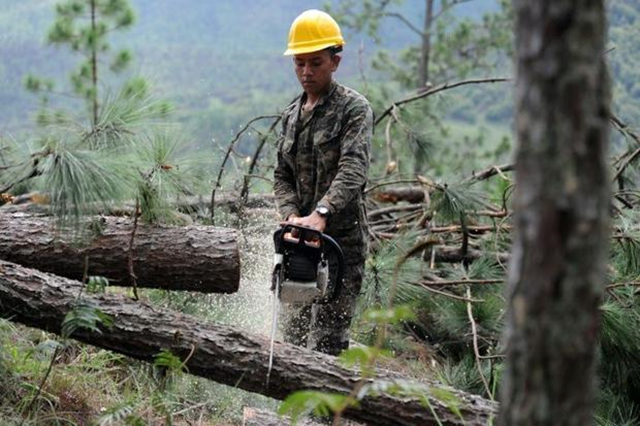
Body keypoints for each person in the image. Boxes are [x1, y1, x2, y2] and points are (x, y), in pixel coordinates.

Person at [273, 9, 373, 356]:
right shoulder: (290, 115)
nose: (306, 72)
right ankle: (286, 410)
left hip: (340, 242)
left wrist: (322, 212)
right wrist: (289, 214)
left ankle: (324, 412)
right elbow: (281, 174)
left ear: (335, 61)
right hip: (300, 242)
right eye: (300, 63)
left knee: (329, 338)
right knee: (293, 336)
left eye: (315, 63)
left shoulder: (353, 109)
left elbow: (353, 167)